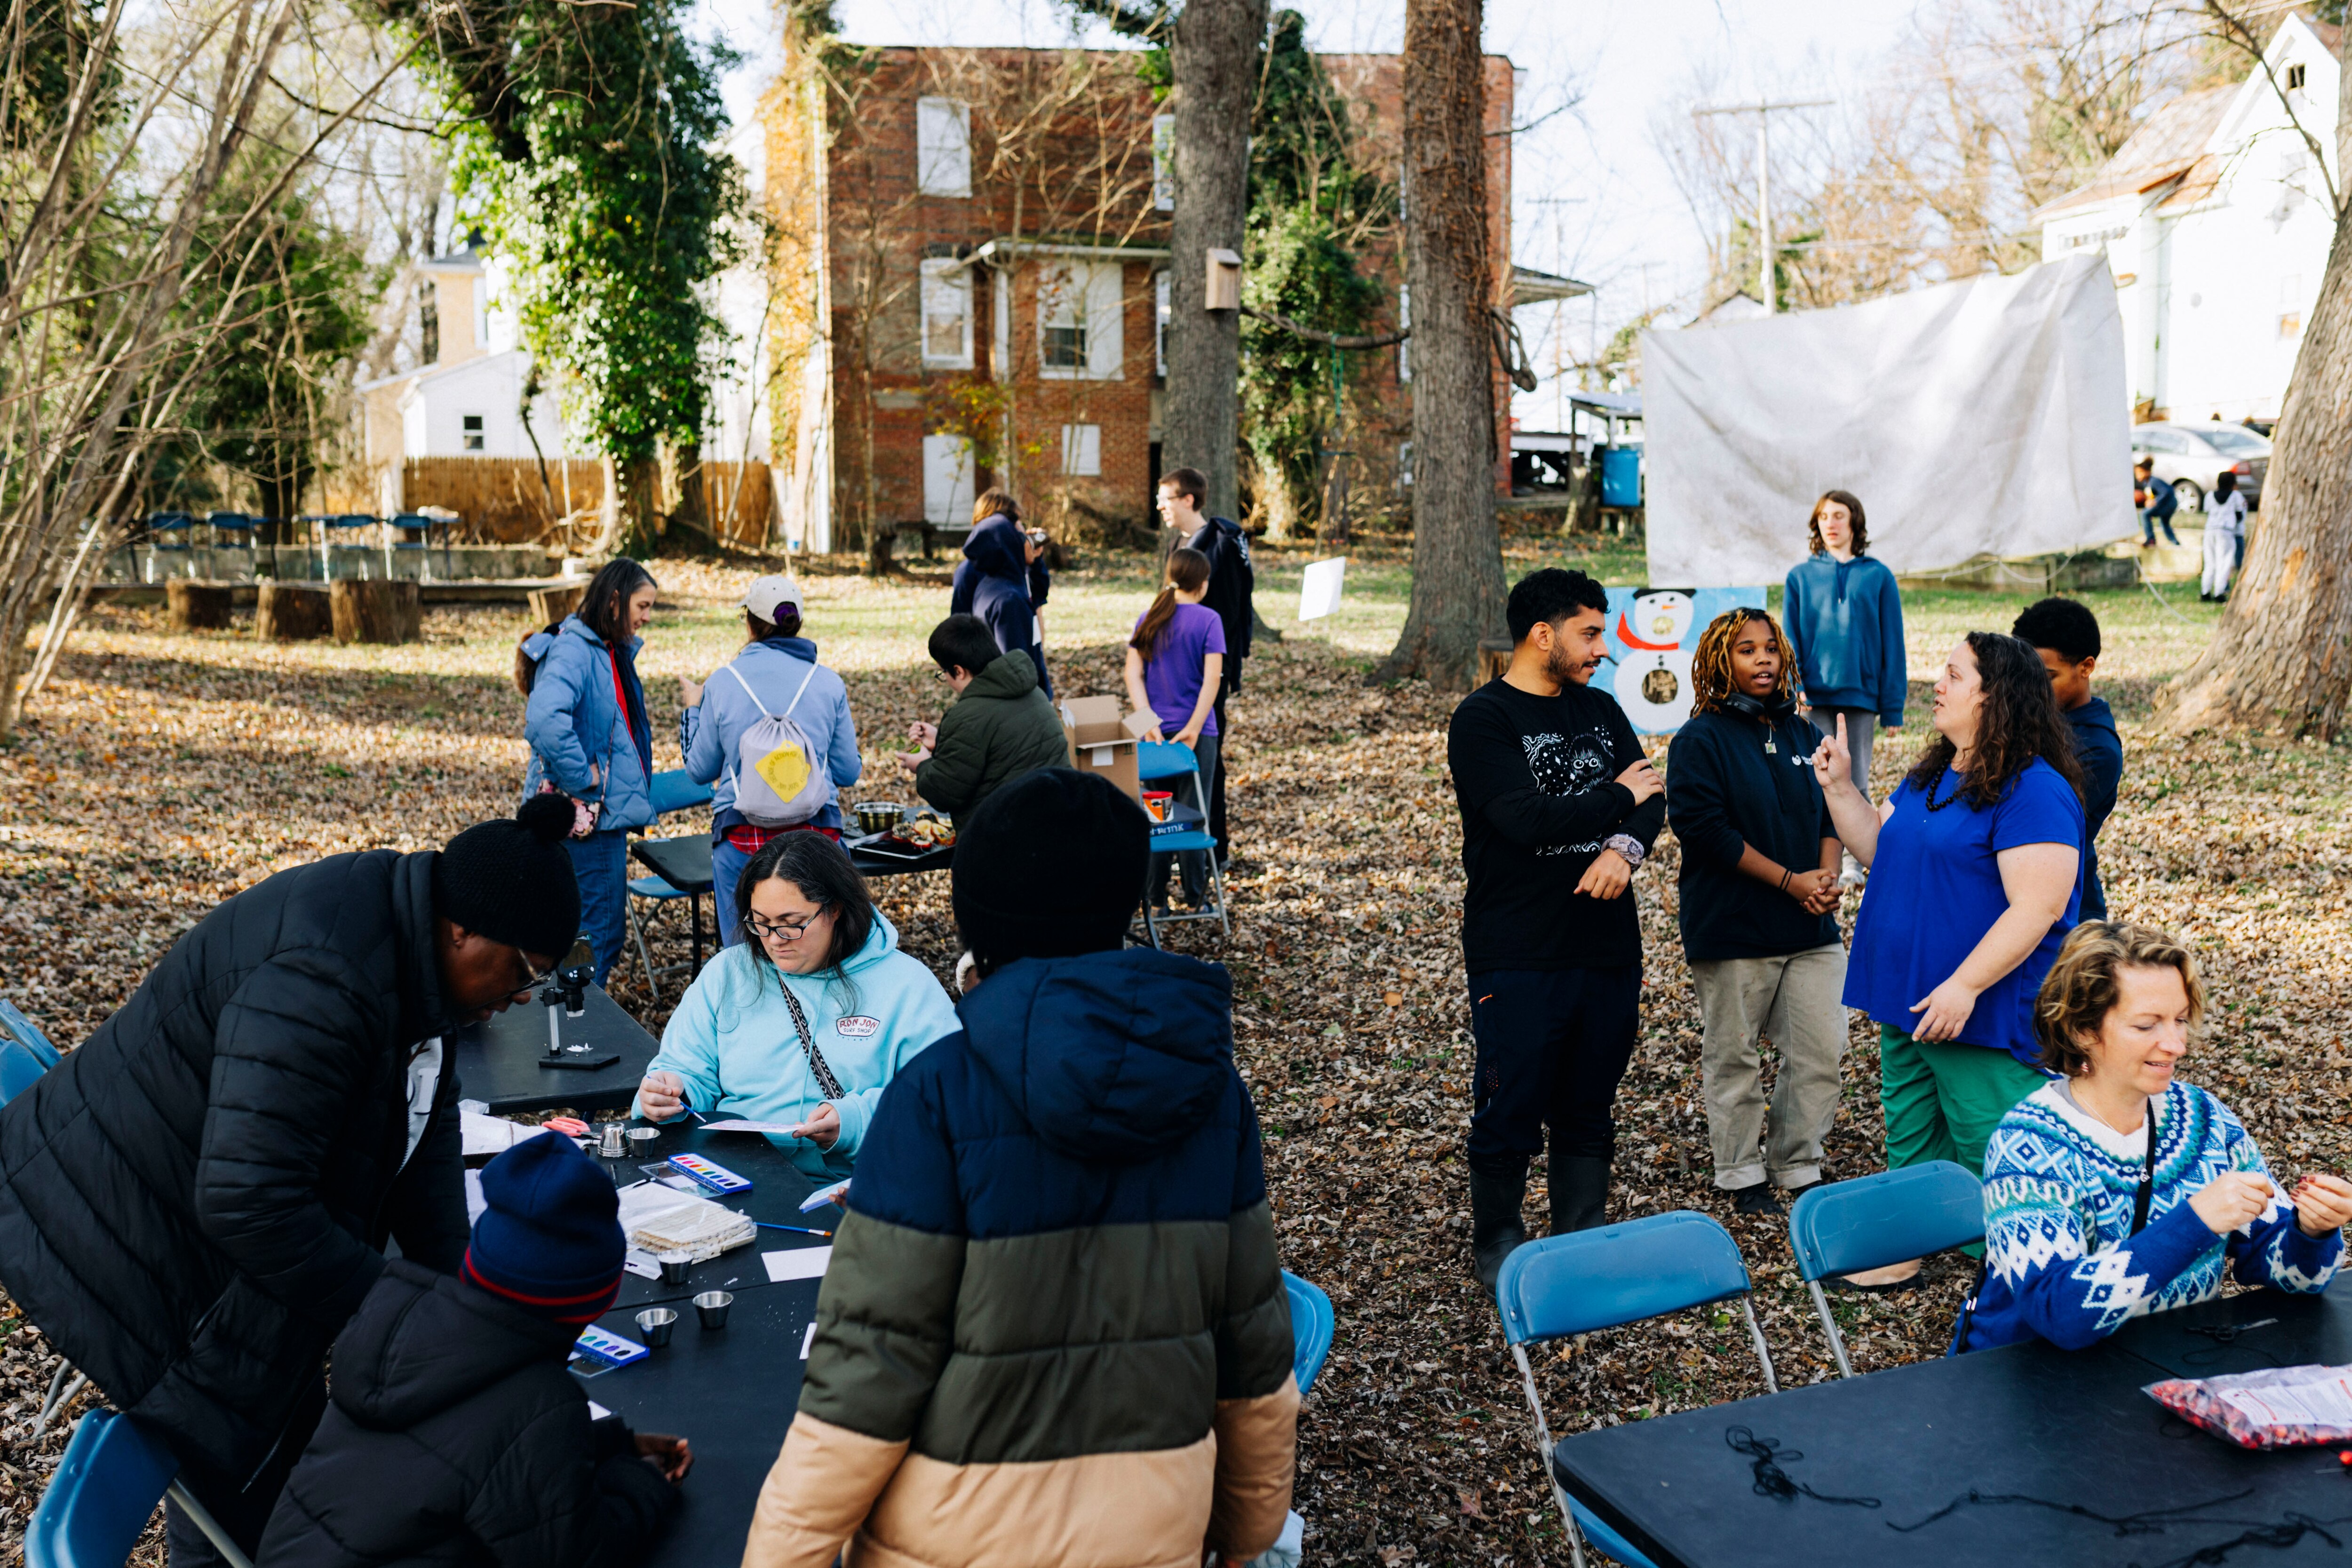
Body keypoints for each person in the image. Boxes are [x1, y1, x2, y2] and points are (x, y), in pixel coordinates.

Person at [736, 769, 1298, 1568]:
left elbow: (868, 1368)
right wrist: (1246, 1531)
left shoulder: (937, 1093)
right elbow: (1253, 1350)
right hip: (1155, 1526)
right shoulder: (1215, 1098)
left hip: (950, 1537)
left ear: (981, 919)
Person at [0, 799, 582, 1565]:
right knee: (240, 1459)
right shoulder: (325, 975)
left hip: (199, 1211)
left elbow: (425, 1161)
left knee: (280, 1456)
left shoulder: (411, 953)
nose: (521, 995)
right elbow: (250, 1201)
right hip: (119, 1234)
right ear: (463, 927)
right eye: (526, 971)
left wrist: (467, 1319)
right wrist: (405, 1315)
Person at [255, 1133, 691, 1568]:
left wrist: (609, 1445)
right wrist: (643, 1482)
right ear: (596, 1298)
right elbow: (580, 1555)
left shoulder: (394, 1326)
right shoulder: (538, 1404)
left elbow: (461, 1453)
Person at [1814, 631, 2085, 1291]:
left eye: (1954, 674)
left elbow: (2038, 907)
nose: (1938, 683)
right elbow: (1885, 853)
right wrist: (1841, 788)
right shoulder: (1934, 775)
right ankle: (1918, 1241)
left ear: (1997, 697)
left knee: (1991, 1134)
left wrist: (1965, 985)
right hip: (1905, 994)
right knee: (1912, 1127)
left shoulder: (2034, 791)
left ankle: (2025, 1261)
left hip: (1980, 1006)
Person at [1956, 923, 2348, 1353]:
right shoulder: (2029, 1145)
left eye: (2179, 1020)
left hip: (2167, 1361)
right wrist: (2195, 1221)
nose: (2176, 1044)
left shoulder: (2205, 1119)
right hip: (2032, 1382)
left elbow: (2286, 1272)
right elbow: (2058, 1314)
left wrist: (2310, 1233)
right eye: (2147, 1025)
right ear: (2083, 1030)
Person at [1446, 568, 1666, 1287]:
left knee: (1590, 1097)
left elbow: (1652, 796)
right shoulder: (1483, 720)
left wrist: (1624, 848)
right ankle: (1501, 1242)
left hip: (1605, 946)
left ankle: (1581, 1236)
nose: (1603, 648)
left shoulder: (1600, 710)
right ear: (1543, 635)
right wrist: (1616, 798)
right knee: (1512, 1096)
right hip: (1519, 949)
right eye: (1590, 632)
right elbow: (1522, 819)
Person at [633, 833, 960, 1184]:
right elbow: (686, 1067)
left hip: (855, 1186)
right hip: (727, 1174)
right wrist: (673, 1090)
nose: (773, 939)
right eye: (760, 922)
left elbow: (950, 1100)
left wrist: (853, 1121)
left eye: (791, 923)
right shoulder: (727, 973)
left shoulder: (908, 986)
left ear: (835, 908)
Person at [1665, 608, 1847, 1218]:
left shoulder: (1802, 732)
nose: (1764, 659)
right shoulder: (1700, 740)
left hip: (1811, 927)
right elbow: (1705, 831)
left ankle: (1799, 1163)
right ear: (1721, 661)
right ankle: (1742, 1173)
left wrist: (1825, 877)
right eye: (1747, 650)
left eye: (1771, 648)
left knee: (1822, 1049)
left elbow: (1830, 810)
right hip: (1734, 928)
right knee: (1735, 1056)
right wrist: (1792, 882)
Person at [678, 575, 862, 947]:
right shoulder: (828, 683)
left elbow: (700, 770)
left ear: (749, 622)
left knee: (744, 956)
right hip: (818, 838)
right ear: (798, 625)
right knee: (823, 952)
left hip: (742, 840)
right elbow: (847, 771)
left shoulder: (722, 683)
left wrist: (692, 709)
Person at [521, 557, 659, 985]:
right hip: (586, 824)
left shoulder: (603, 649)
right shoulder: (576, 649)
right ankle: (580, 1030)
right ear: (615, 600)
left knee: (590, 932)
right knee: (596, 934)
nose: (647, 616)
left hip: (597, 820)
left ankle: (571, 1020)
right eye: (643, 605)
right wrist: (583, 776)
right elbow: (544, 718)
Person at [1782, 489, 1906, 885]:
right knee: (1813, 779)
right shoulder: (1799, 577)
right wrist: (1793, 685)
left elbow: (1893, 642)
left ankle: (1855, 861)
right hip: (1813, 696)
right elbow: (1791, 637)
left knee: (1856, 781)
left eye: (1839, 516)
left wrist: (1894, 706)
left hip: (1862, 697)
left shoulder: (1878, 576)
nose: (1831, 524)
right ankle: (1816, 861)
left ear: (1854, 522)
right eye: (1823, 517)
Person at [1157, 466, 1256, 866]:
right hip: (1173, 680)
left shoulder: (1220, 546)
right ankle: (1176, 847)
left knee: (1206, 761)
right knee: (1173, 762)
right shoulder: (1178, 544)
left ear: (1188, 500)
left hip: (1206, 678)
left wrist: (1209, 669)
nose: (1160, 506)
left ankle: (1213, 850)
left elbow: (1230, 613)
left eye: (1165, 499)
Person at [892, 613, 1067, 824]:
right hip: (1059, 820)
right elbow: (998, 755)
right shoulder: (1033, 692)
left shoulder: (968, 716)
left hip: (1008, 835)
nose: (945, 680)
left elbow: (945, 793)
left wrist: (921, 765)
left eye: (943, 674)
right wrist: (942, 742)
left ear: (958, 671)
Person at [1125, 546, 1226, 910]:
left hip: (1150, 731)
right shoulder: (1210, 620)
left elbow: (1132, 675)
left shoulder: (1148, 616)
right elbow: (1212, 680)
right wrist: (1195, 728)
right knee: (1193, 812)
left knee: (1157, 817)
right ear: (1201, 584)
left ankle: (1155, 899)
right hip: (1197, 733)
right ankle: (1197, 897)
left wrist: (1148, 721)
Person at [2013, 597, 2123, 922]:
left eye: (2046, 678)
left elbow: (2027, 814)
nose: (2031, 690)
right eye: (2024, 676)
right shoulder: (2032, 715)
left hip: (2067, 914)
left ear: (2086, 667)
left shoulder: (2098, 750)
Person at [951, 487, 1050, 696]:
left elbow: (1038, 596)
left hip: (1030, 660)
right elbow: (960, 626)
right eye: (1014, 523)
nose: (1021, 529)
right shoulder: (972, 572)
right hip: (1002, 677)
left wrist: (1036, 561)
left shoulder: (1016, 565)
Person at [2201, 470, 2246, 601]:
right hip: (2226, 530)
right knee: (2224, 562)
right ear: (2233, 483)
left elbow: (2207, 511)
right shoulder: (2236, 496)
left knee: (2210, 562)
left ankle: (2205, 591)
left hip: (2210, 530)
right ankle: (2219, 593)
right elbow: (2239, 515)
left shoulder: (2210, 495)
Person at [2133, 456, 2180, 548]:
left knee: (2144, 514)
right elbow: (2151, 496)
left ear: (2148, 472)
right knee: (2164, 523)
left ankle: (2151, 539)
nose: (2138, 476)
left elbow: (2166, 492)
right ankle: (2175, 543)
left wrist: (2156, 501)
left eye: (2140, 473)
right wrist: (2148, 502)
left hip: (2169, 504)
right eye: (2136, 474)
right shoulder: (2146, 483)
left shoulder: (2154, 481)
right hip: (2168, 504)